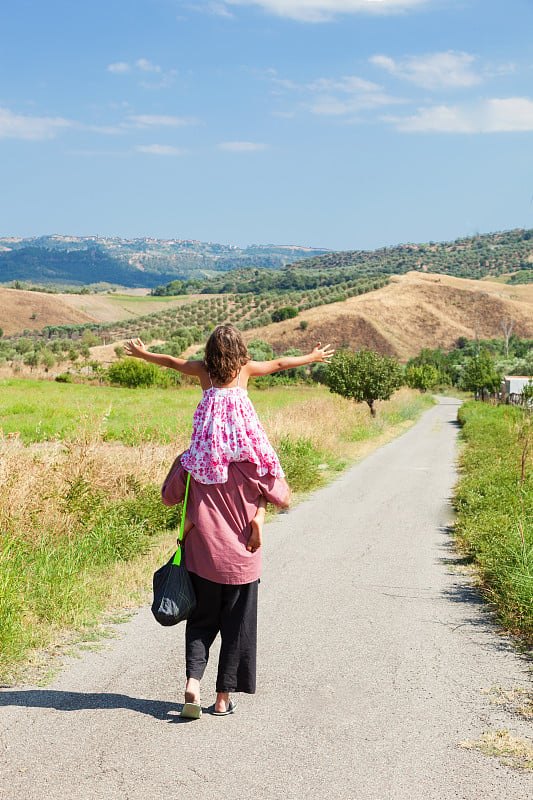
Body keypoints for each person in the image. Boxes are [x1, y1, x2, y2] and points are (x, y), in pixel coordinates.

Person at [125, 325, 333, 551]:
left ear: (210, 350)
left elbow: (172, 362)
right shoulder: (245, 369)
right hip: (245, 443)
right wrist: (312, 357)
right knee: (266, 465)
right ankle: (259, 516)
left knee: (188, 463)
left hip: (212, 447)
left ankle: (191, 520)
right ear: (239, 348)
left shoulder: (204, 370)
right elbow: (280, 363)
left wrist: (142, 354)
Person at [161, 453, 290, 717]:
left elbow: (168, 497)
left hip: (203, 558)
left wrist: (180, 460)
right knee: (237, 626)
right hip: (242, 560)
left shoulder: (195, 460)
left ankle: (193, 684)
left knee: (200, 623)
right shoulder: (255, 463)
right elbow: (284, 498)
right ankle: (222, 700)